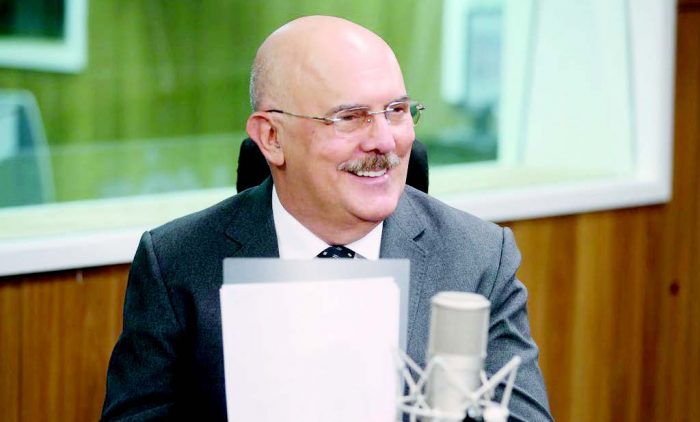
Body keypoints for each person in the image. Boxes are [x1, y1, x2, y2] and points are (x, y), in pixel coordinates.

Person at [102, 16, 552, 421]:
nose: (385, 142)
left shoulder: (478, 259)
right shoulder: (176, 263)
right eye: (350, 117)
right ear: (272, 137)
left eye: (397, 111)